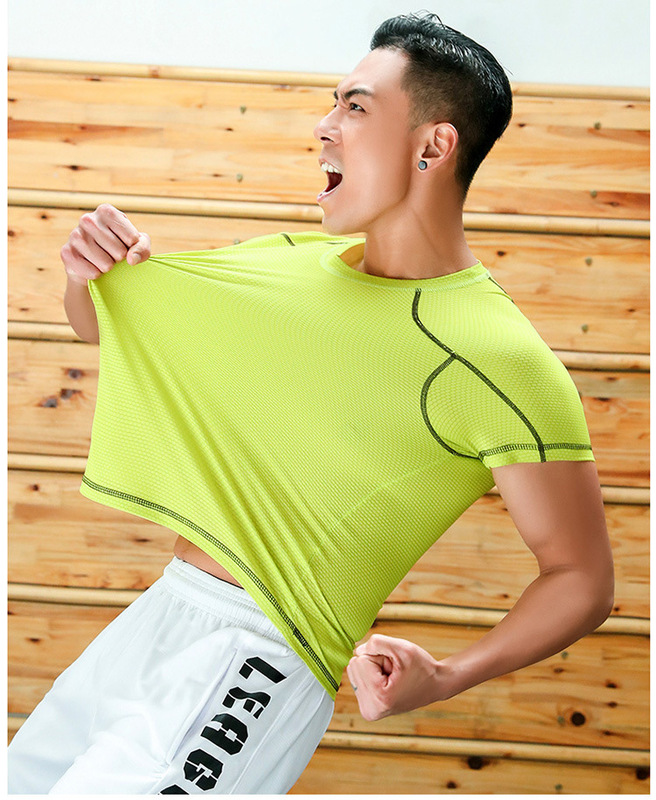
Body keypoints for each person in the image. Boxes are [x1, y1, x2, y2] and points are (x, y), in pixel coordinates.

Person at [7, 11, 614, 795]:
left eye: (355, 107)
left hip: (258, 655)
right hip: (155, 617)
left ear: (433, 146)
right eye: (333, 103)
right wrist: (86, 272)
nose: (324, 126)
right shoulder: (290, 263)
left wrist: (447, 676)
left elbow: (581, 578)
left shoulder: (499, 359)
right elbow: (102, 326)